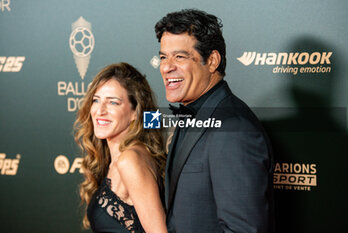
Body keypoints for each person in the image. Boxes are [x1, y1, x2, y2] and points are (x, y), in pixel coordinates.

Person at [155, 9, 275, 233]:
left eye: (179, 57)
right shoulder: (189, 112)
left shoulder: (233, 130)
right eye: (163, 56)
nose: (166, 67)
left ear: (211, 61)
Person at [74, 63, 167, 233]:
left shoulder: (130, 160)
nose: (100, 110)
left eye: (113, 103)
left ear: (134, 113)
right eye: (96, 100)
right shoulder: (122, 157)